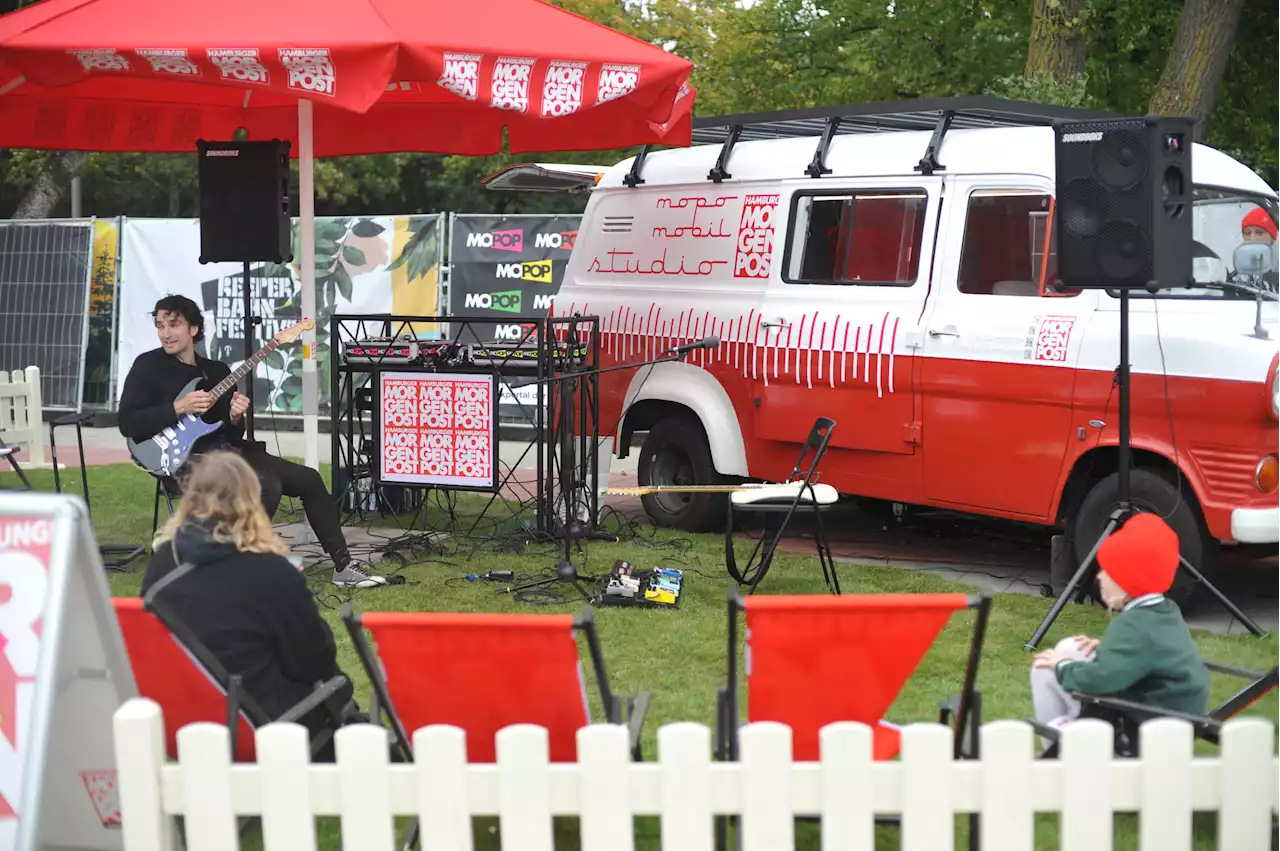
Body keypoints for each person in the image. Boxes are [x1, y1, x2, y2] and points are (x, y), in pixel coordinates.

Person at [118, 294, 384, 588]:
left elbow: (232, 434)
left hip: (226, 453)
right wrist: (178, 407)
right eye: (160, 326)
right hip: (181, 463)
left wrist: (234, 417)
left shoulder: (215, 371)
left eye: (173, 324)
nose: (165, 333)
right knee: (266, 485)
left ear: (193, 329)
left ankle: (343, 567)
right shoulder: (147, 367)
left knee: (308, 478)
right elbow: (128, 422)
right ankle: (237, 567)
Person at [141, 451, 365, 754]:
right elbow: (314, 661)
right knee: (342, 697)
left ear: (191, 500)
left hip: (188, 721)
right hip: (269, 725)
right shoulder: (272, 572)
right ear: (252, 503)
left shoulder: (162, 565)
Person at [1030, 512, 1210, 747]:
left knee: (1044, 667)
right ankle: (1068, 734)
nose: (1100, 578)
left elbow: (1101, 680)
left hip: (1141, 722)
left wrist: (1062, 665)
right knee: (1070, 647)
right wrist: (1109, 649)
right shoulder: (1165, 610)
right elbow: (1148, 654)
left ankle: (1058, 750)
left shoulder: (1133, 625)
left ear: (1128, 582)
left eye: (1108, 571)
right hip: (1169, 711)